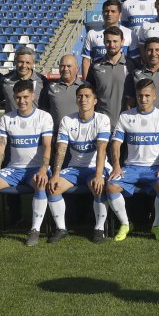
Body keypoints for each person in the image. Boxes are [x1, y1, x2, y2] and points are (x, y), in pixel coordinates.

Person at [0, 80, 54, 248]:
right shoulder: (7, 119)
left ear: (33, 96)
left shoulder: (44, 117)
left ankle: (35, 230)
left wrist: (43, 170)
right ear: (13, 97)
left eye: (26, 97)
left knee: (41, 183)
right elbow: (0, 146)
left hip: (35, 169)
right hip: (13, 169)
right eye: (18, 97)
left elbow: (48, 145)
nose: (22, 101)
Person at [107, 79, 159, 243]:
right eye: (140, 96)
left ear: (154, 96)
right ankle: (125, 224)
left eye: (147, 96)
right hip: (130, 168)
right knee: (111, 185)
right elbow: (116, 144)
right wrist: (116, 166)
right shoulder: (126, 116)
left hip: (155, 168)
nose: (143, 99)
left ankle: (156, 225)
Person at [46, 83, 112, 243]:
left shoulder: (102, 119)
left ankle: (99, 229)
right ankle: (61, 228)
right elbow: (61, 149)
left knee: (99, 187)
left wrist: (98, 175)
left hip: (95, 168)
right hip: (74, 168)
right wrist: (55, 175)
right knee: (53, 188)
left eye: (87, 96)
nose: (83, 99)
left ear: (95, 100)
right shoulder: (67, 120)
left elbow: (102, 150)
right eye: (80, 96)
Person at [86, 26, 134, 130]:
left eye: (115, 41)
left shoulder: (132, 66)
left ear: (122, 42)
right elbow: (89, 95)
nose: (111, 45)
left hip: (125, 126)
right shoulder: (95, 66)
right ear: (103, 42)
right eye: (108, 41)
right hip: (100, 126)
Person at [82, 0, 133, 80]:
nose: (109, 14)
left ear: (120, 15)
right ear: (102, 13)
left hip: (123, 78)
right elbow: (86, 61)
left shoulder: (130, 34)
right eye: (106, 11)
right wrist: (86, 84)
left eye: (113, 11)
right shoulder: (92, 33)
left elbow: (135, 60)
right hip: (99, 78)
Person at [0, 46, 48, 114]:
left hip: (35, 124)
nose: (24, 66)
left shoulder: (43, 81)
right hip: (12, 123)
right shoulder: (4, 80)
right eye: (21, 62)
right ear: (15, 61)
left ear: (33, 63)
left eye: (27, 62)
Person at [45, 54, 82, 135]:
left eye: (69, 66)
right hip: (57, 135)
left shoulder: (85, 87)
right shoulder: (50, 87)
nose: (65, 69)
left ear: (77, 69)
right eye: (62, 66)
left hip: (80, 136)